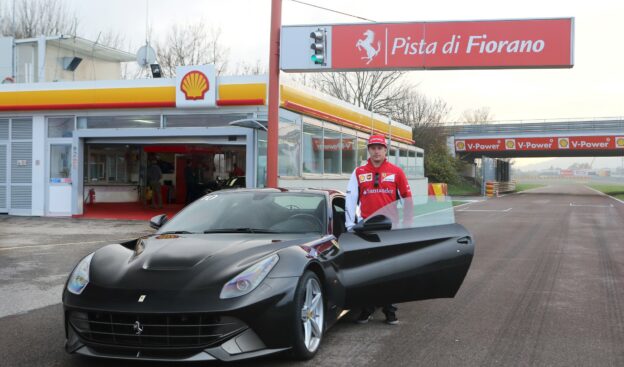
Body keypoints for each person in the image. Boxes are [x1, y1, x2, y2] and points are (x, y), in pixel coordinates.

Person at [345, 134, 413, 325]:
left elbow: (407, 199)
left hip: (390, 229)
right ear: (369, 150)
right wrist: (350, 226)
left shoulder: (396, 172)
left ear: (385, 151)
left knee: (390, 272)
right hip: (367, 230)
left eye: (379, 148)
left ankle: (390, 311)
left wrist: (407, 225)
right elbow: (350, 200)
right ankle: (366, 310)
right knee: (368, 272)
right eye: (373, 147)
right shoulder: (358, 172)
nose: (376, 151)